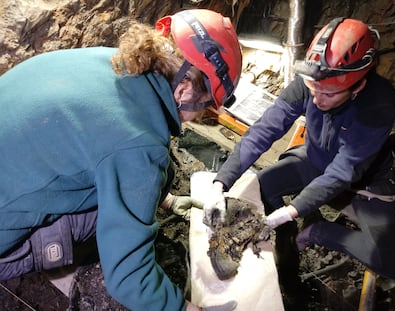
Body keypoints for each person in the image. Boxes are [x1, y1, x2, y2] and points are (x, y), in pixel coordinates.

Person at [0, 9, 241, 311]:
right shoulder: (140, 147)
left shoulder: (108, 60)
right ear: (186, 89)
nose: (201, 117)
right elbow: (130, 280)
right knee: (109, 215)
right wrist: (183, 308)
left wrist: (164, 199)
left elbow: (99, 142)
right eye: (207, 108)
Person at [203, 17, 395, 293]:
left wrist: (290, 211)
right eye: (314, 88)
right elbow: (264, 130)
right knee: (259, 187)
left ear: (357, 86)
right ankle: (284, 244)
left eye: (329, 93)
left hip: (364, 184)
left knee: (394, 263)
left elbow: (344, 171)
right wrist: (221, 182)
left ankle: (318, 231)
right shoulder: (310, 81)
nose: (316, 100)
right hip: (314, 161)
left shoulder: (378, 102)